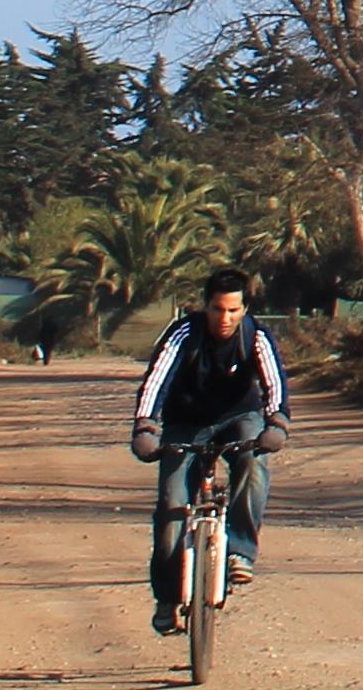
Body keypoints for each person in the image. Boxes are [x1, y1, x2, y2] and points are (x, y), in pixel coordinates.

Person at [130, 269, 289, 638]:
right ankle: (168, 602)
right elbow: (156, 381)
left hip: (239, 418)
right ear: (206, 307)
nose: (225, 318)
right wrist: (145, 427)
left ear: (245, 309)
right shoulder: (184, 334)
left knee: (253, 462)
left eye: (234, 310)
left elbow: (274, 385)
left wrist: (277, 424)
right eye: (218, 309)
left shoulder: (256, 336)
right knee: (172, 507)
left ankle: (240, 552)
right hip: (186, 423)